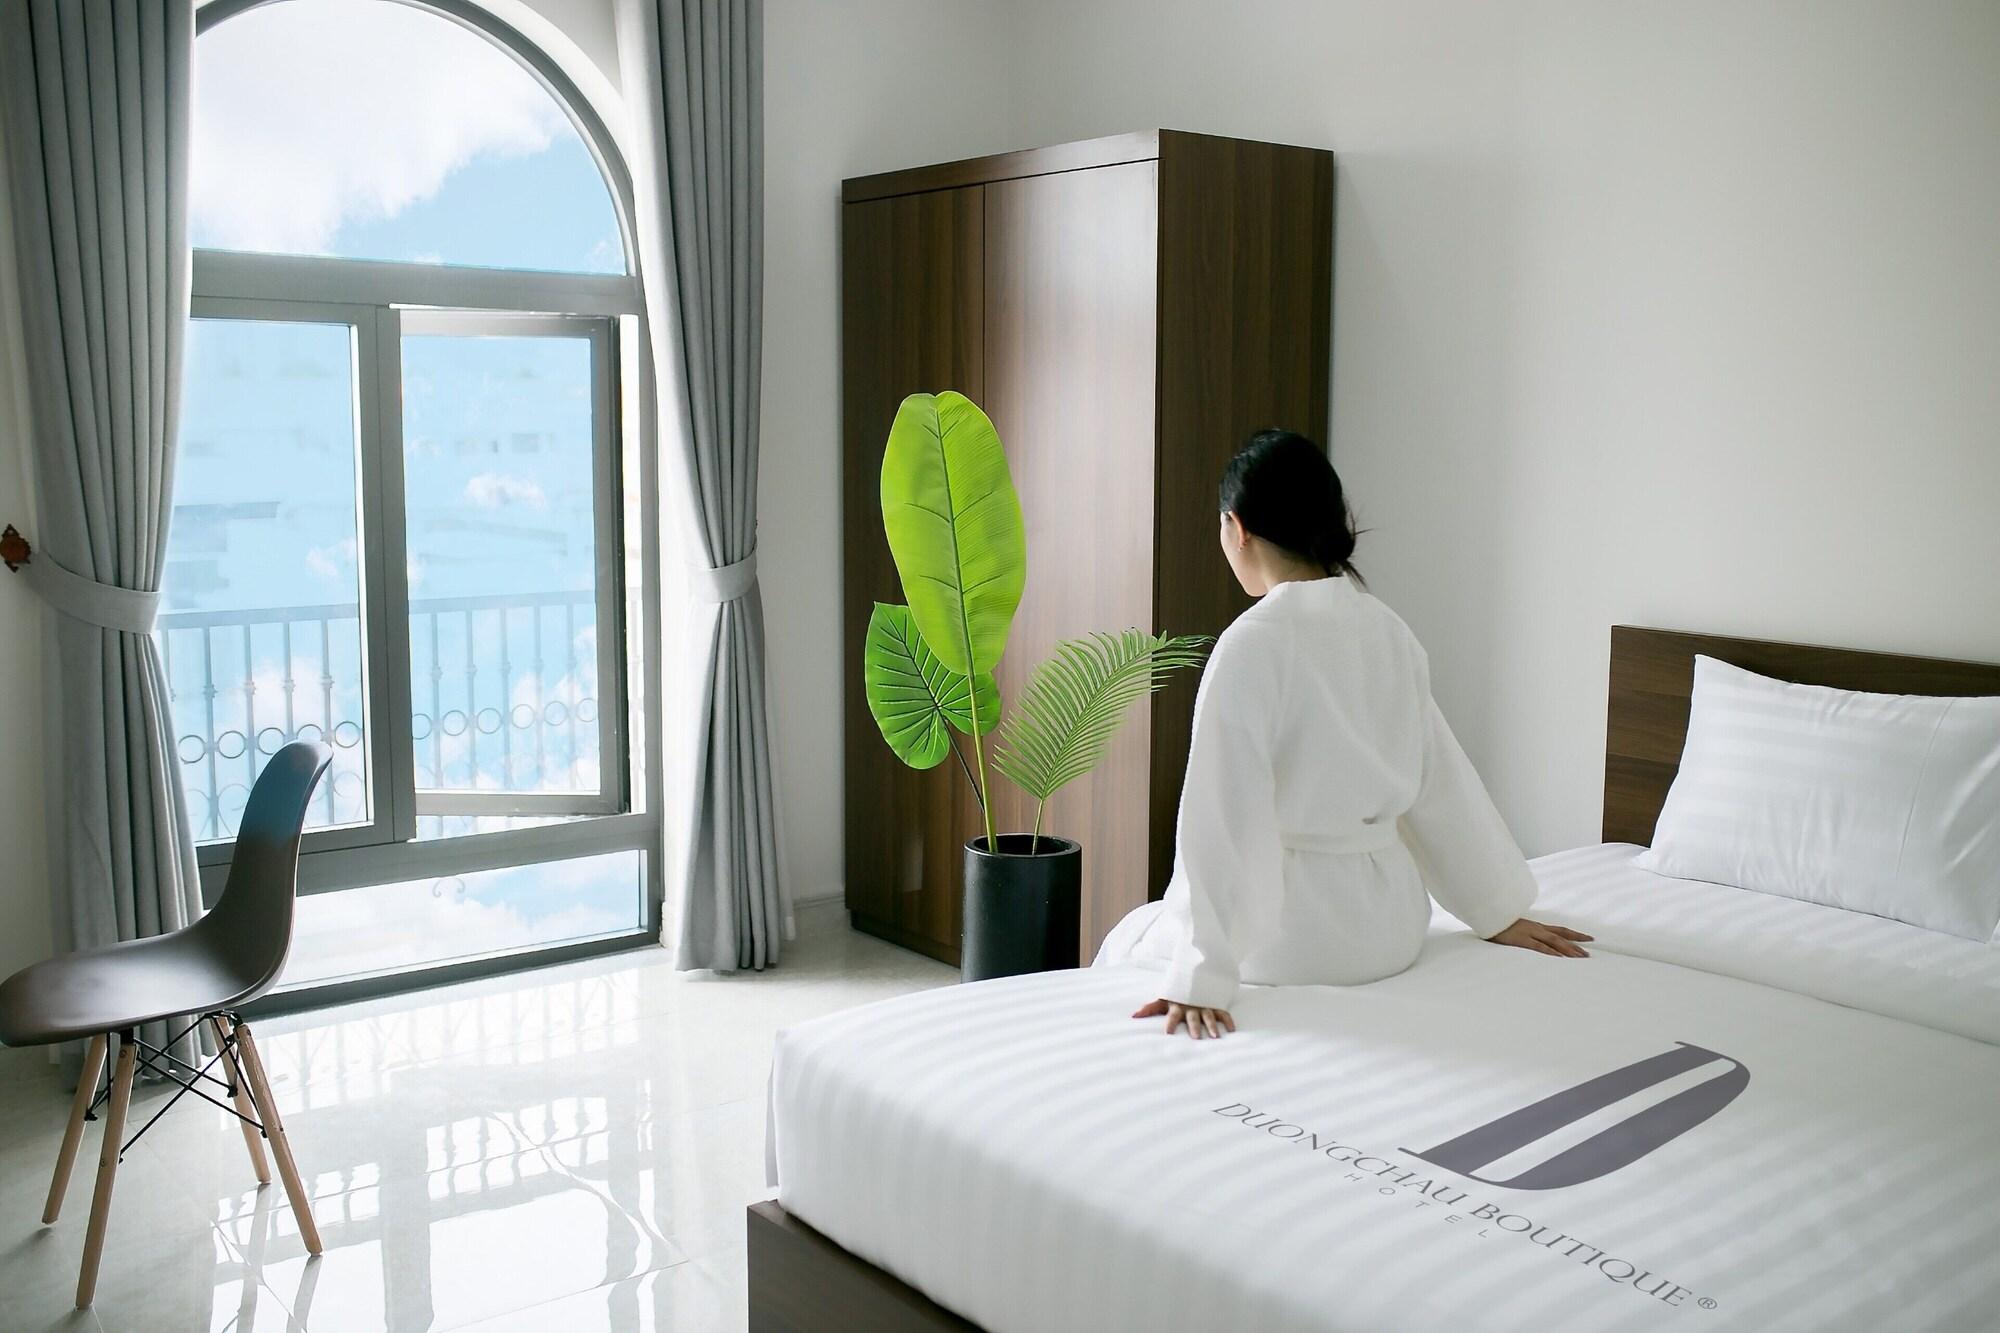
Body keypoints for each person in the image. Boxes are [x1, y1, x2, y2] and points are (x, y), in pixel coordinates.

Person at [1097, 430, 1591, 1039]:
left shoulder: (1251, 643)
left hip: (1288, 941)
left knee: (1130, 937)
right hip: (1389, 930)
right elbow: (1440, 786)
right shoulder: (1388, 631)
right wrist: (1497, 910)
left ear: (1237, 527)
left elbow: (1220, 817)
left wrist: (1201, 976)